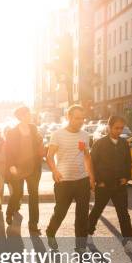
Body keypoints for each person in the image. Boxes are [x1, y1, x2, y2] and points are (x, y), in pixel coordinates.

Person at [46, 105, 95, 251]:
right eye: (77, 118)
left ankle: (80, 246)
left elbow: (87, 156)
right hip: (64, 182)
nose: (81, 121)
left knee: (82, 216)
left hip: (82, 181)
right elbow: (49, 156)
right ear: (69, 117)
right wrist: (55, 171)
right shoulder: (58, 134)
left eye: (82, 118)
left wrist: (91, 177)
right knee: (60, 212)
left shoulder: (85, 135)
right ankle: (50, 232)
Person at [87, 115, 132, 252]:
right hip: (104, 185)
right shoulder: (100, 144)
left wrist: (126, 177)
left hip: (120, 185)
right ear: (109, 127)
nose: (119, 131)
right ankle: (88, 233)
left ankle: (128, 242)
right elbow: (92, 163)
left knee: (123, 214)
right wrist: (98, 181)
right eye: (116, 128)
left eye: (121, 128)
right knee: (97, 210)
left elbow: (128, 162)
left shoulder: (124, 143)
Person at [5, 106, 46, 234]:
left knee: (34, 196)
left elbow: (39, 143)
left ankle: (33, 224)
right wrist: (11, 165)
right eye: (28, 114)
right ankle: (10, 211)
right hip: (18, 168)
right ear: (21, 116)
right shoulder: (12, 132)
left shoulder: (34, 129)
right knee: (17, 193)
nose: (30, 116)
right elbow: (9, 151)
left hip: (33, 168)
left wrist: (41, 141)